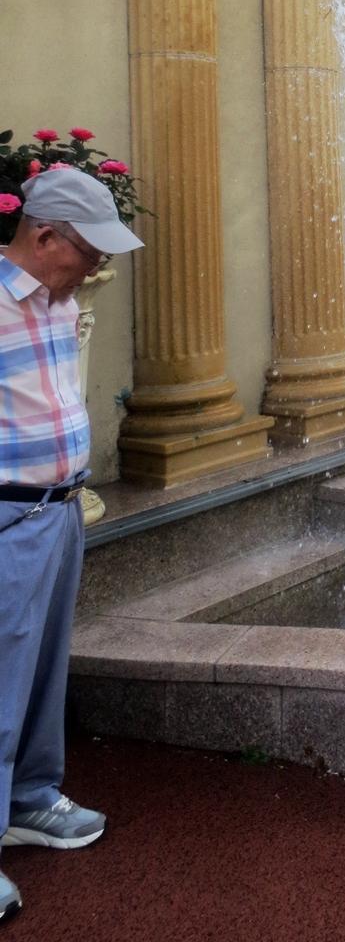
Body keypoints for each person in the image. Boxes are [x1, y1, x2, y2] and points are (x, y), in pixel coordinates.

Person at [0, 170, 142, 926]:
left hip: (58, 511)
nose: (95, 267)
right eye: (89, 251)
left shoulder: (58, 303)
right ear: (46, 236)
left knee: (42, 673)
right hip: (7, 516)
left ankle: (27, 799)